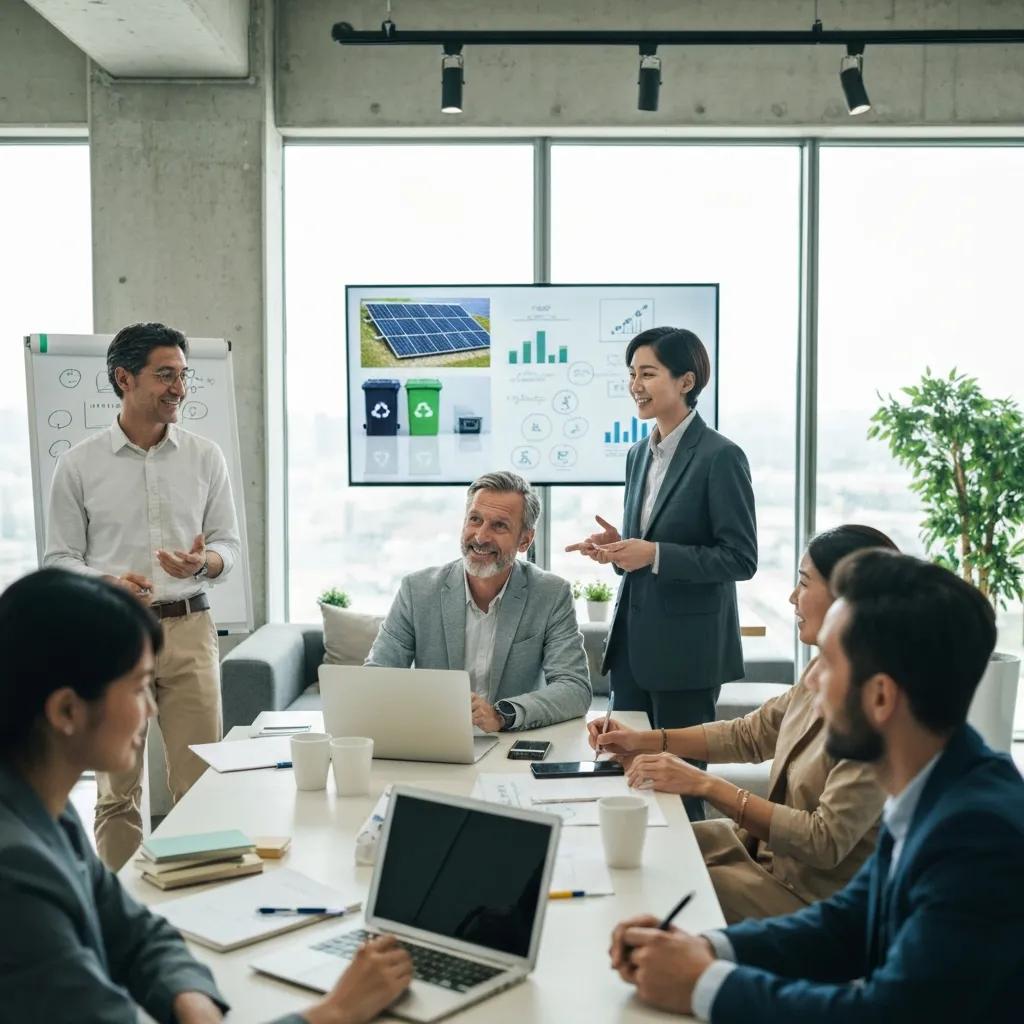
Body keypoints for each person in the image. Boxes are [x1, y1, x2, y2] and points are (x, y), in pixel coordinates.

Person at [609, 549, 1024, 1023]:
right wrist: (706, 947)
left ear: (881, 696)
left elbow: (888, 1012)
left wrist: (704, 984)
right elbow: (848, 923)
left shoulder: (977, 837)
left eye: (827, 661)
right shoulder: (934, 784)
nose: (812, 680)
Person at [0, 568, 412, 1024]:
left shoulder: (41, 806)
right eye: (139, 688)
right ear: (66, 710)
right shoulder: (14, 873)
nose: (152, 709)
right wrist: (336, 1012)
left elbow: (134, 931)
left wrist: (188, 998)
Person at [590, 525, 896, 922]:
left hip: (809, 901)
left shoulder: (880, 711)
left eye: (803, 583)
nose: (791, 597)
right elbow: (749, 734)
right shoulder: (824, 667)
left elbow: (823, 841)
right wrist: (643, 741)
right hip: (759, 855)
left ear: (847, 600)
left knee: (654, 884)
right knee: (637, 845)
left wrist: (704, 784)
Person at [43, 322, 241, 870]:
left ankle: (196, 918)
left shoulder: (206, 457)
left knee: (202, 786)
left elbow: (229, 546)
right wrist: (104, 584)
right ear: (124, 378)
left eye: (183, 375)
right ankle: (120, 919)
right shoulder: (79, 464)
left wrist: (205, 561)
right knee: (117, 793)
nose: (179, 387)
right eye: (165, 375)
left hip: (189, 629)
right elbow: (59, 560)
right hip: (113, 637)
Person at [566, 327, 757, 819]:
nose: (636, 385)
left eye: (648, 373)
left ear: (687, 380)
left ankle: (696, 886)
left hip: (688, 655)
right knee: (626, 776)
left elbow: (740, 558)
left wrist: (654, 554)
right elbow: (648, 546)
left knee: (679, 788)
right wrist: (617, 550)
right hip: (632, 647)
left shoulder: (721, 456)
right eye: (632, 374)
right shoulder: (637, 455)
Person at [366, 470, 591, 731]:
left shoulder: (551, 594)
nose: (481, 536)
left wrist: (502, 714)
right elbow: (377, 678)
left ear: (525, 540)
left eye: (499, 526)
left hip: (510, 742)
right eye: (475, 519)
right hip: (436, 738)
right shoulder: (417, 591)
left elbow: (575, 688)